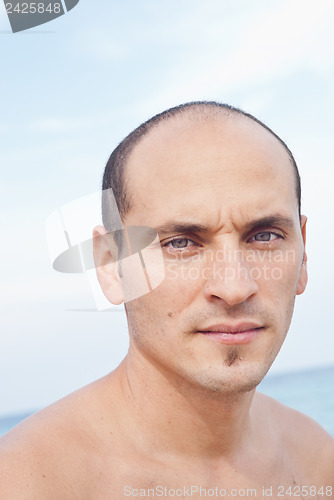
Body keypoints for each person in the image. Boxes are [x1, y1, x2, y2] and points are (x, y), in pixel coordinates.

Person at [0, 101, 333, 499]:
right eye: (181, 243)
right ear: (110, 265)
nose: (234, 287)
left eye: (264, 236)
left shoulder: (317, 461)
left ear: (303, 254)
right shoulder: (27, 483)